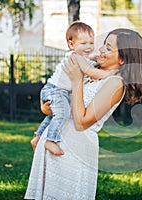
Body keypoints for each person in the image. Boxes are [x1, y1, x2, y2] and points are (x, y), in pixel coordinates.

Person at [25, 28, 142, 200]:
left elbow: (82, 122)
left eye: (108, 48)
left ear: (122, 59)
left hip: (74, 148)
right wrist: (47, 106)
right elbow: (50, 105)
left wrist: (77, 81)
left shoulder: (115, 83)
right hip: (53, 141)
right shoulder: (91, 69)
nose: (101, 50)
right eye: (104, 45)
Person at [31, 21, 116, 156]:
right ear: (71, 44)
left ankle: (37, 137)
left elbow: (91, 61)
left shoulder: (82, 57)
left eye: (91, 43)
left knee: (55, 115)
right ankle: (51, 141)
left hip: (57, 90)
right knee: (63, 113)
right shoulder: (74, 57)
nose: (88, 47)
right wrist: (109, 74)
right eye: (83, 44)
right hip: (55, 90)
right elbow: (90, 71)